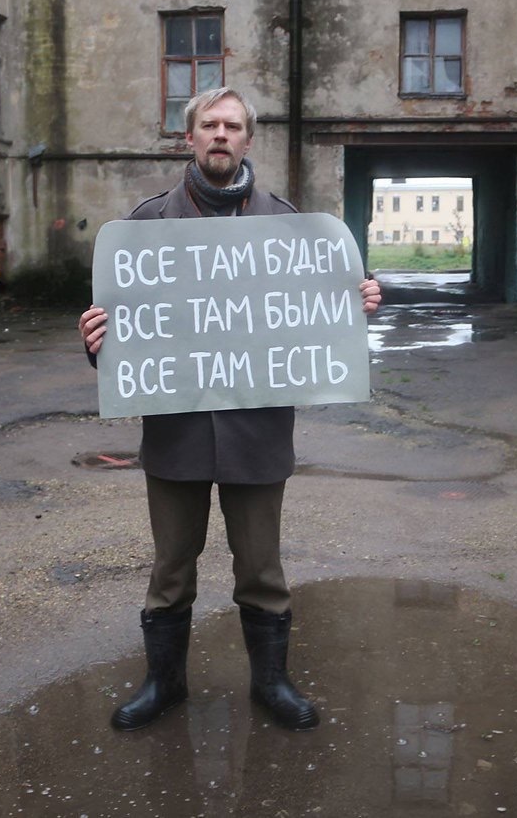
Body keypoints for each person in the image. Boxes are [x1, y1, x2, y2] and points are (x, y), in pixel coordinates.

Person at [79, 87, 382, 732]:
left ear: (248, 139)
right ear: (188, 139)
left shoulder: (294, 228)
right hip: (175, 431)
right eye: (209, 125)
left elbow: (317, 324)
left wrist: (355, 304)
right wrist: (97, 342)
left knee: (262, 568)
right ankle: (164, 684)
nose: (220, 134)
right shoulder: (144, 228)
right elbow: (128, 343)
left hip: (256, 431)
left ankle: (272, 684)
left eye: (233, 125)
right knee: (170, 568)